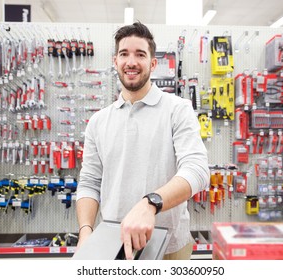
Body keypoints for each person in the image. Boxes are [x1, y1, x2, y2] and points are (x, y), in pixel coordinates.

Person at [76, 21, 210, 260]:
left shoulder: (177, 110)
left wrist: (151, 204)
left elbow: (197, 170)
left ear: (153, 63)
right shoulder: (98, 121)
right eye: (124, 54)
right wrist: (85, 230)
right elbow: (89, 182)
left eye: (140, 54)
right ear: (115, 61)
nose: (131, 62)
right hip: (112, 245)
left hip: (169, 247)